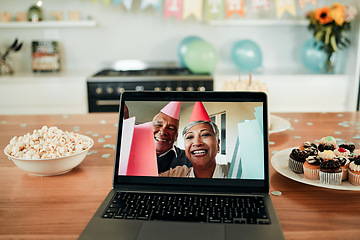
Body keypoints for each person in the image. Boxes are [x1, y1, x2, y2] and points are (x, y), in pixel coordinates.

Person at [159, 102, 229, 178]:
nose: (197, 143)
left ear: (218, 144)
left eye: (205, 135)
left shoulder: (236, 170)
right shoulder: (174, 174)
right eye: (190, 137)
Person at [153, 101, 191, 174]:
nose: (163, 132)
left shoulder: (188, 159)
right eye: (158, 125)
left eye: (171, 128)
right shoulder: (133, 152)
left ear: (176, 136)